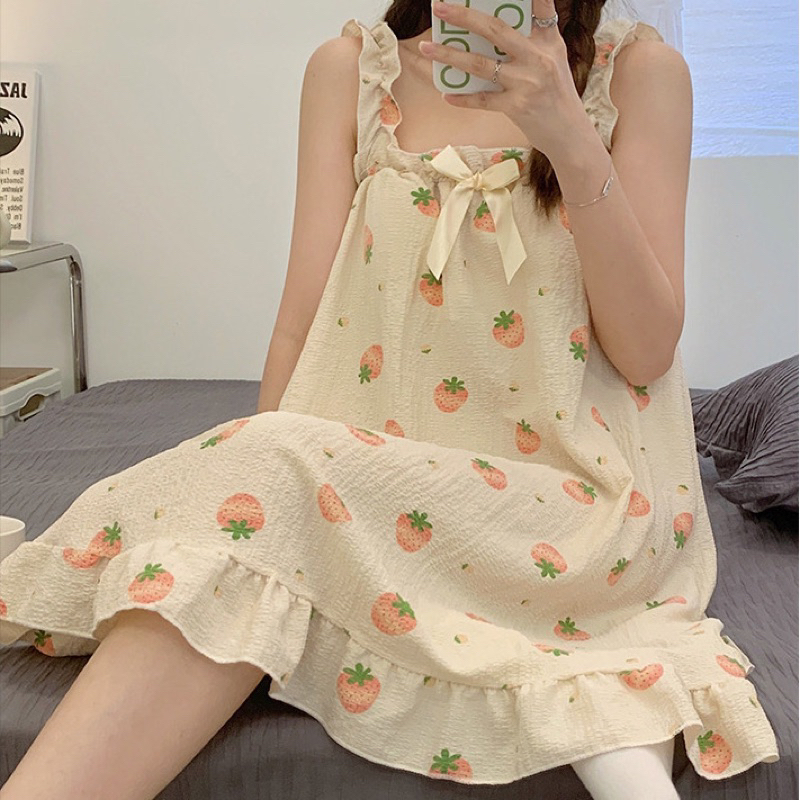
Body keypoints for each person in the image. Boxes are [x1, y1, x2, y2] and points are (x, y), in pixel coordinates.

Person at [0, 1, 780, 798]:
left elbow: (646, 352)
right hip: (371, 502)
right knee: (238, 511)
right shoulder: (350, 72)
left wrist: (571, 140)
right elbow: (300, 320)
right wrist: (265, 503)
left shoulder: (640, 75)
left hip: (572, 511)